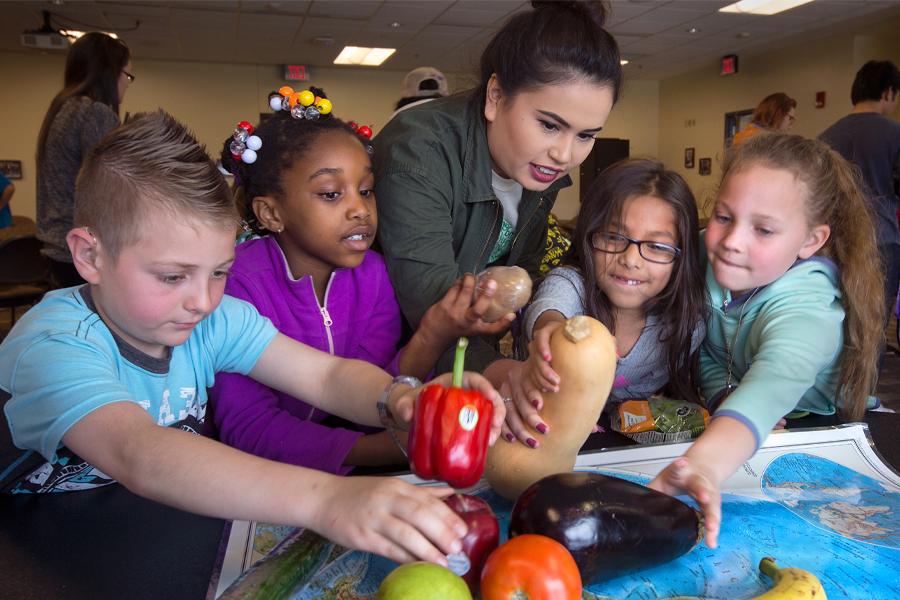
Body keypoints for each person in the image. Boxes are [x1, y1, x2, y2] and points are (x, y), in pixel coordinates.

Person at [0, 110, 507, 566]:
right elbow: (141, 454)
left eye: (219, 272)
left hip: (155, 535)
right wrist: (327, 499)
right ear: (90, 256)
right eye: (173, 277)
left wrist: (405, 399)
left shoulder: (213, 321)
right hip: (41, 554)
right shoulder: (55, 343)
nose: (202, 299)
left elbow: (326, 376)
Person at [210, 87, 506, 474]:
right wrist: (388, 449)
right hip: (254, 480)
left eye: (366, 191)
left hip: (345, 466)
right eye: (331, 193)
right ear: (270, 213)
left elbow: (375, 391)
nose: (359, 210)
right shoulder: (235, 287)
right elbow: (250, 429)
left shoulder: (374, 275)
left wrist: (434, 333)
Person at [649, 133, 884, 549]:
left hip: (826, 427)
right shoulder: (710, 263)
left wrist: (704, 463)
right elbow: (709, 348)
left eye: (763, 230)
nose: (733, 242)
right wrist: (721, 393)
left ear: (811, 241)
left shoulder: (808, 304)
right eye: (723, 217)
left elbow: (773, 383)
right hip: (742, 422)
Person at [373, 0, 622, 377]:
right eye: (550, 125)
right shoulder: (417, 153)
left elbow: (526, 272)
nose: (564, 154)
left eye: (585, 135)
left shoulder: (539, 168)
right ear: (495, 96)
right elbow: (433, 308)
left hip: (467, 364)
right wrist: (508, 378)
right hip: (383, 366)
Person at [496, 159, 707, 445]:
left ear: (681, 257)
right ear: (588, 235)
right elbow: (550, 310)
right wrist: (555, 334)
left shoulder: (687, 325)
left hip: (616, 442)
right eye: (612, 237)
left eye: (656, 246)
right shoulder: (573, 284)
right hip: (537, 430)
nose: (630, 260)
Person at [819, 59, 900, 368]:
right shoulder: (894, 134)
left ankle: (829, 391)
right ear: (889, 92)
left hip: (834, 239)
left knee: (839, 315)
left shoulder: (827, 136)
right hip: (882, 239)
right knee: (873, 323)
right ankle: (865, 396)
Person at [36, 32, 132, 288]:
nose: (126, 84)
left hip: (58, 244)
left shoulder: (63, 108)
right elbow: (109, 187)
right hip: (84, 247)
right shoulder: (96, 112)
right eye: (128, 76)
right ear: (110, 74)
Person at [731, 92, 797, 147]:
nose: (791, 123)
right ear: (778, 114)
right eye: (790, 118)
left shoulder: (752, 135)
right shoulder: (760, 140)